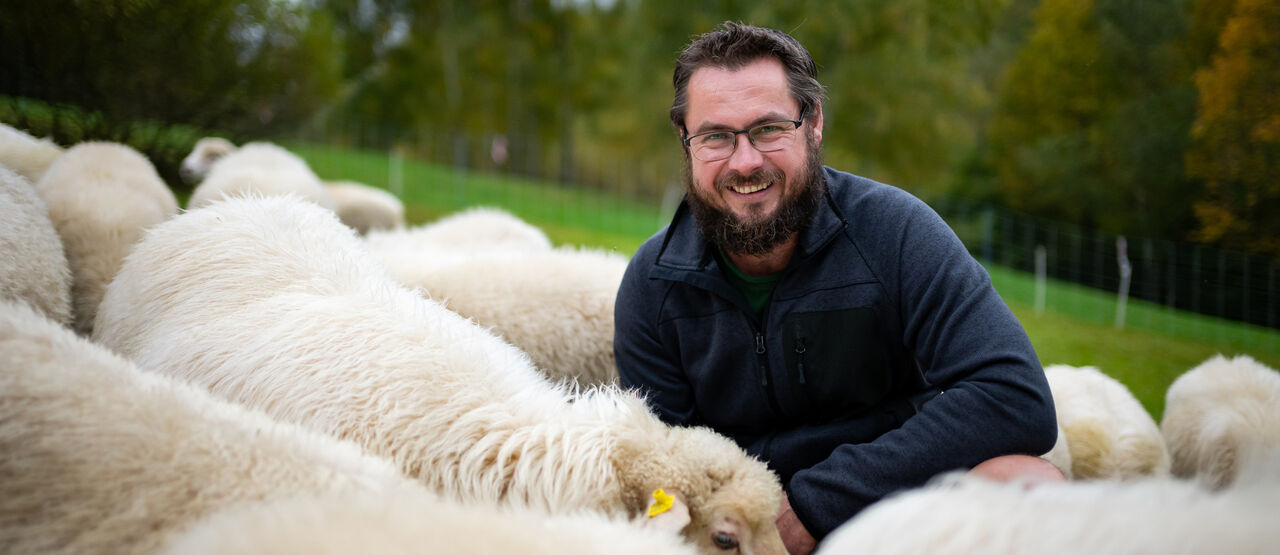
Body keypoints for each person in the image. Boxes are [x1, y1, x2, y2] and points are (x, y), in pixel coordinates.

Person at [613, 21, 1062, 554]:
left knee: (1032, 485)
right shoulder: (653, 285)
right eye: (716, 137)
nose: (746, 161)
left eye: (768, 129)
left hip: (895, 514)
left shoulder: (897, 234)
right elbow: (669, 469)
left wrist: (816, 504)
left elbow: (1015, 396)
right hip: (748, 535)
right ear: (685, 142)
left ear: (814, 123)